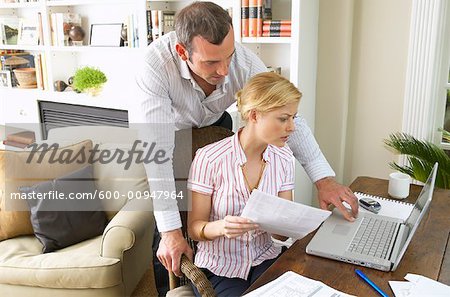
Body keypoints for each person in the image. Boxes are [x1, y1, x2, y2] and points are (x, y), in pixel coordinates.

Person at [130, 0, 358, 286]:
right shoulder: (154, 68)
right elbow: (157, 155)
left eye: (229, 56)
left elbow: (284, 115)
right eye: (212, 62)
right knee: (169, 237)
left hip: (215, 124)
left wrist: (324, 180)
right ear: (182, 52)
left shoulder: (245, 62)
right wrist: (170, 233)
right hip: (168, 136)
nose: (225, 70)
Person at [187, 72, 300, 296]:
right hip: (218, 268)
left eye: (293, 118)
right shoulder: (209, 159)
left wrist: (286, 225)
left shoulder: (284, 158)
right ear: (255, 115)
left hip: (265, 258)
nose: (292, 127)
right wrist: (221, 227)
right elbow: (194, 228)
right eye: (283, 118)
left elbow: (281, 235)